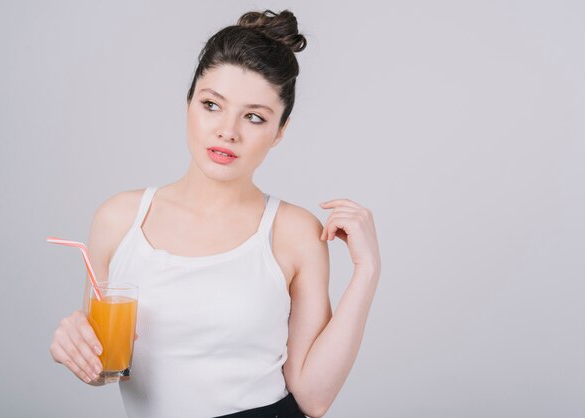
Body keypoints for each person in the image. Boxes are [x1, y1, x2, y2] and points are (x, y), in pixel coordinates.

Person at [49, 9, 381, 418]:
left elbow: (314, 397)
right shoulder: (118, 220)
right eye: (212, 105)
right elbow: (107, 366)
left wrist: (367, 270)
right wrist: (78, 351)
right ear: (188, 103)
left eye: (254, 117)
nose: (228, 130)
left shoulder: (294, 232)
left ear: (280, 131)